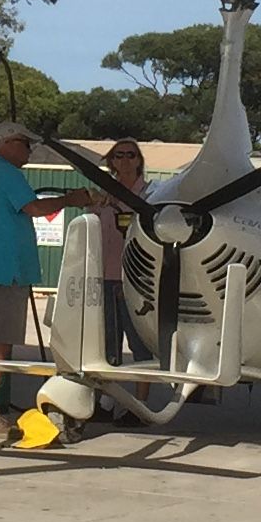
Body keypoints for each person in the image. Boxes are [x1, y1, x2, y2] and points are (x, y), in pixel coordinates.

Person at [0, 120, 90, 430]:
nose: (29, 149)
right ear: (5, 143)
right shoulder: (8, 174)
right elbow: (33, 207)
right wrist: (70, 200)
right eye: (24, 142)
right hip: (6, 270)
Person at [97, 140, 147, 364]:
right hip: (104, 278)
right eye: (118, 155)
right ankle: (107, 398)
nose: (125, 160)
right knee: (106, 345)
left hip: (136, 280)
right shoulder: (103, 195)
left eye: (131, 154)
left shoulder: (150, 194)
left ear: (139, 160)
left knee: (141, 344)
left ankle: (141, 400)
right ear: (112, 161)